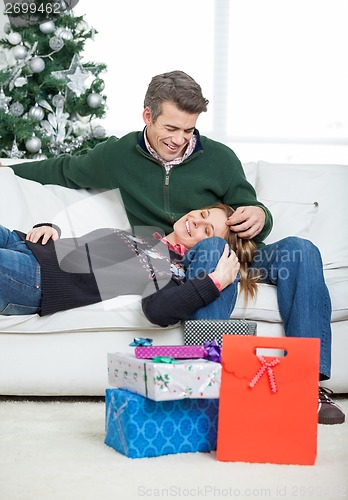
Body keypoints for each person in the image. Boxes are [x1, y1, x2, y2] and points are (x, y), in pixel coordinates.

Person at [2, 70, 344, 425]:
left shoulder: (220, 159)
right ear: (148, 116)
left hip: (240, 251)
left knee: (302, 249)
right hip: (187, 256)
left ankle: (309, 385)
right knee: (210, 246)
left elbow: (248, 204)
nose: (180, 139)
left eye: (189, 130)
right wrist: (9, 169)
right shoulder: (119, 156)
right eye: (171, 128)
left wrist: (261, 215)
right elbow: (66, 169)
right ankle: (208, 379)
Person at [0, 203, 248, 322]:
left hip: (33, 278)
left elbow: (158, 310)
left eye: (207, 231)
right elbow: (82, 247)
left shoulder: (172, 268)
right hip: (20, 242)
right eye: (203, 215)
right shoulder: (146, 238)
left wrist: (214, 282)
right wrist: (48, 228)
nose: (196, 222)